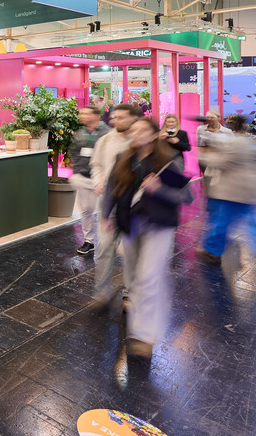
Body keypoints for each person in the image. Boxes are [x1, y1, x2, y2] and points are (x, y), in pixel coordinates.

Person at [102, 117, 192, 358]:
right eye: (134, 129)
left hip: (158, 226)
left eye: (143, 129)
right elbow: (112, 189)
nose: (136, 133)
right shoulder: (124, 160)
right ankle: (140, 325)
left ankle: (143, 335)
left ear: (154, 135)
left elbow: (187, 196)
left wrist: (159, 190)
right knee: (133, 278)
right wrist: (105, 216)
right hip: (130, 225)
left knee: (148, 277)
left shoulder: (166, 162)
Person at [195, 115, 256, 284]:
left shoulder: (235, 142)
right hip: (248, 191)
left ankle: (213, 252)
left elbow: (220, 162)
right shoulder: (244, 141)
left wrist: (206, 154)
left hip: (234, 192)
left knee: (223, 223)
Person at [89, 103, 142, 308]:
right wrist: (99, 182)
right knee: (103, 248)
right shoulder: (105, 141)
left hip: (134, 206)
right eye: (114, 117)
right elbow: (97, 166)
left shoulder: (139, 141)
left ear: (133, 118)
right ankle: (101, 293)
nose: (114, 121)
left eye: (121, 117)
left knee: (130, 251)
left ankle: (129, 294)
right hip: (109, 204)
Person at [69, 105, 109, 255]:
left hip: (101, 179)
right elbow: (75, 153)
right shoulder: (80, 134)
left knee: (104, 210)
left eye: (85, 114)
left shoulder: (107, 133)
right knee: (85, 210)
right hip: (83, 177)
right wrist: (77, 172)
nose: (82, 116)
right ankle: (88, 241)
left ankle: (107, 240)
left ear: (96, 115)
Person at [196, 110, 230, 198]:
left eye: (212, 117)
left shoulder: (227, 132)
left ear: (218, 118)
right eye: (208, 117)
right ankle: (209, 199)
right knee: (208, 182)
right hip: (205, 160)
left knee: (220, 183)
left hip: (221, 161)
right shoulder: (201, 129)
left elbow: (232, 147)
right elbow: (198, 144)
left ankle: (221, 198)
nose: (210, 119)